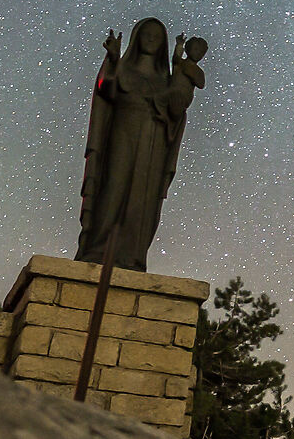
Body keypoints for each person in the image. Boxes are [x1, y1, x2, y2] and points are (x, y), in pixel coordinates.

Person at [76, 19, 206, 271]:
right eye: (146, 34)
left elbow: (177, 108)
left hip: (154, 142)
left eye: (156, 36)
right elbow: (106, 89)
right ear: (137, 38)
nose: (150, 39)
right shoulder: (123, 68)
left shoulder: (167, 79)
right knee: (113, 187)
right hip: (122, 134)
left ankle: (130, 255)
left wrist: (181, 82)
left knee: (142, 197)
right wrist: (113, 59)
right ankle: (97, 248)